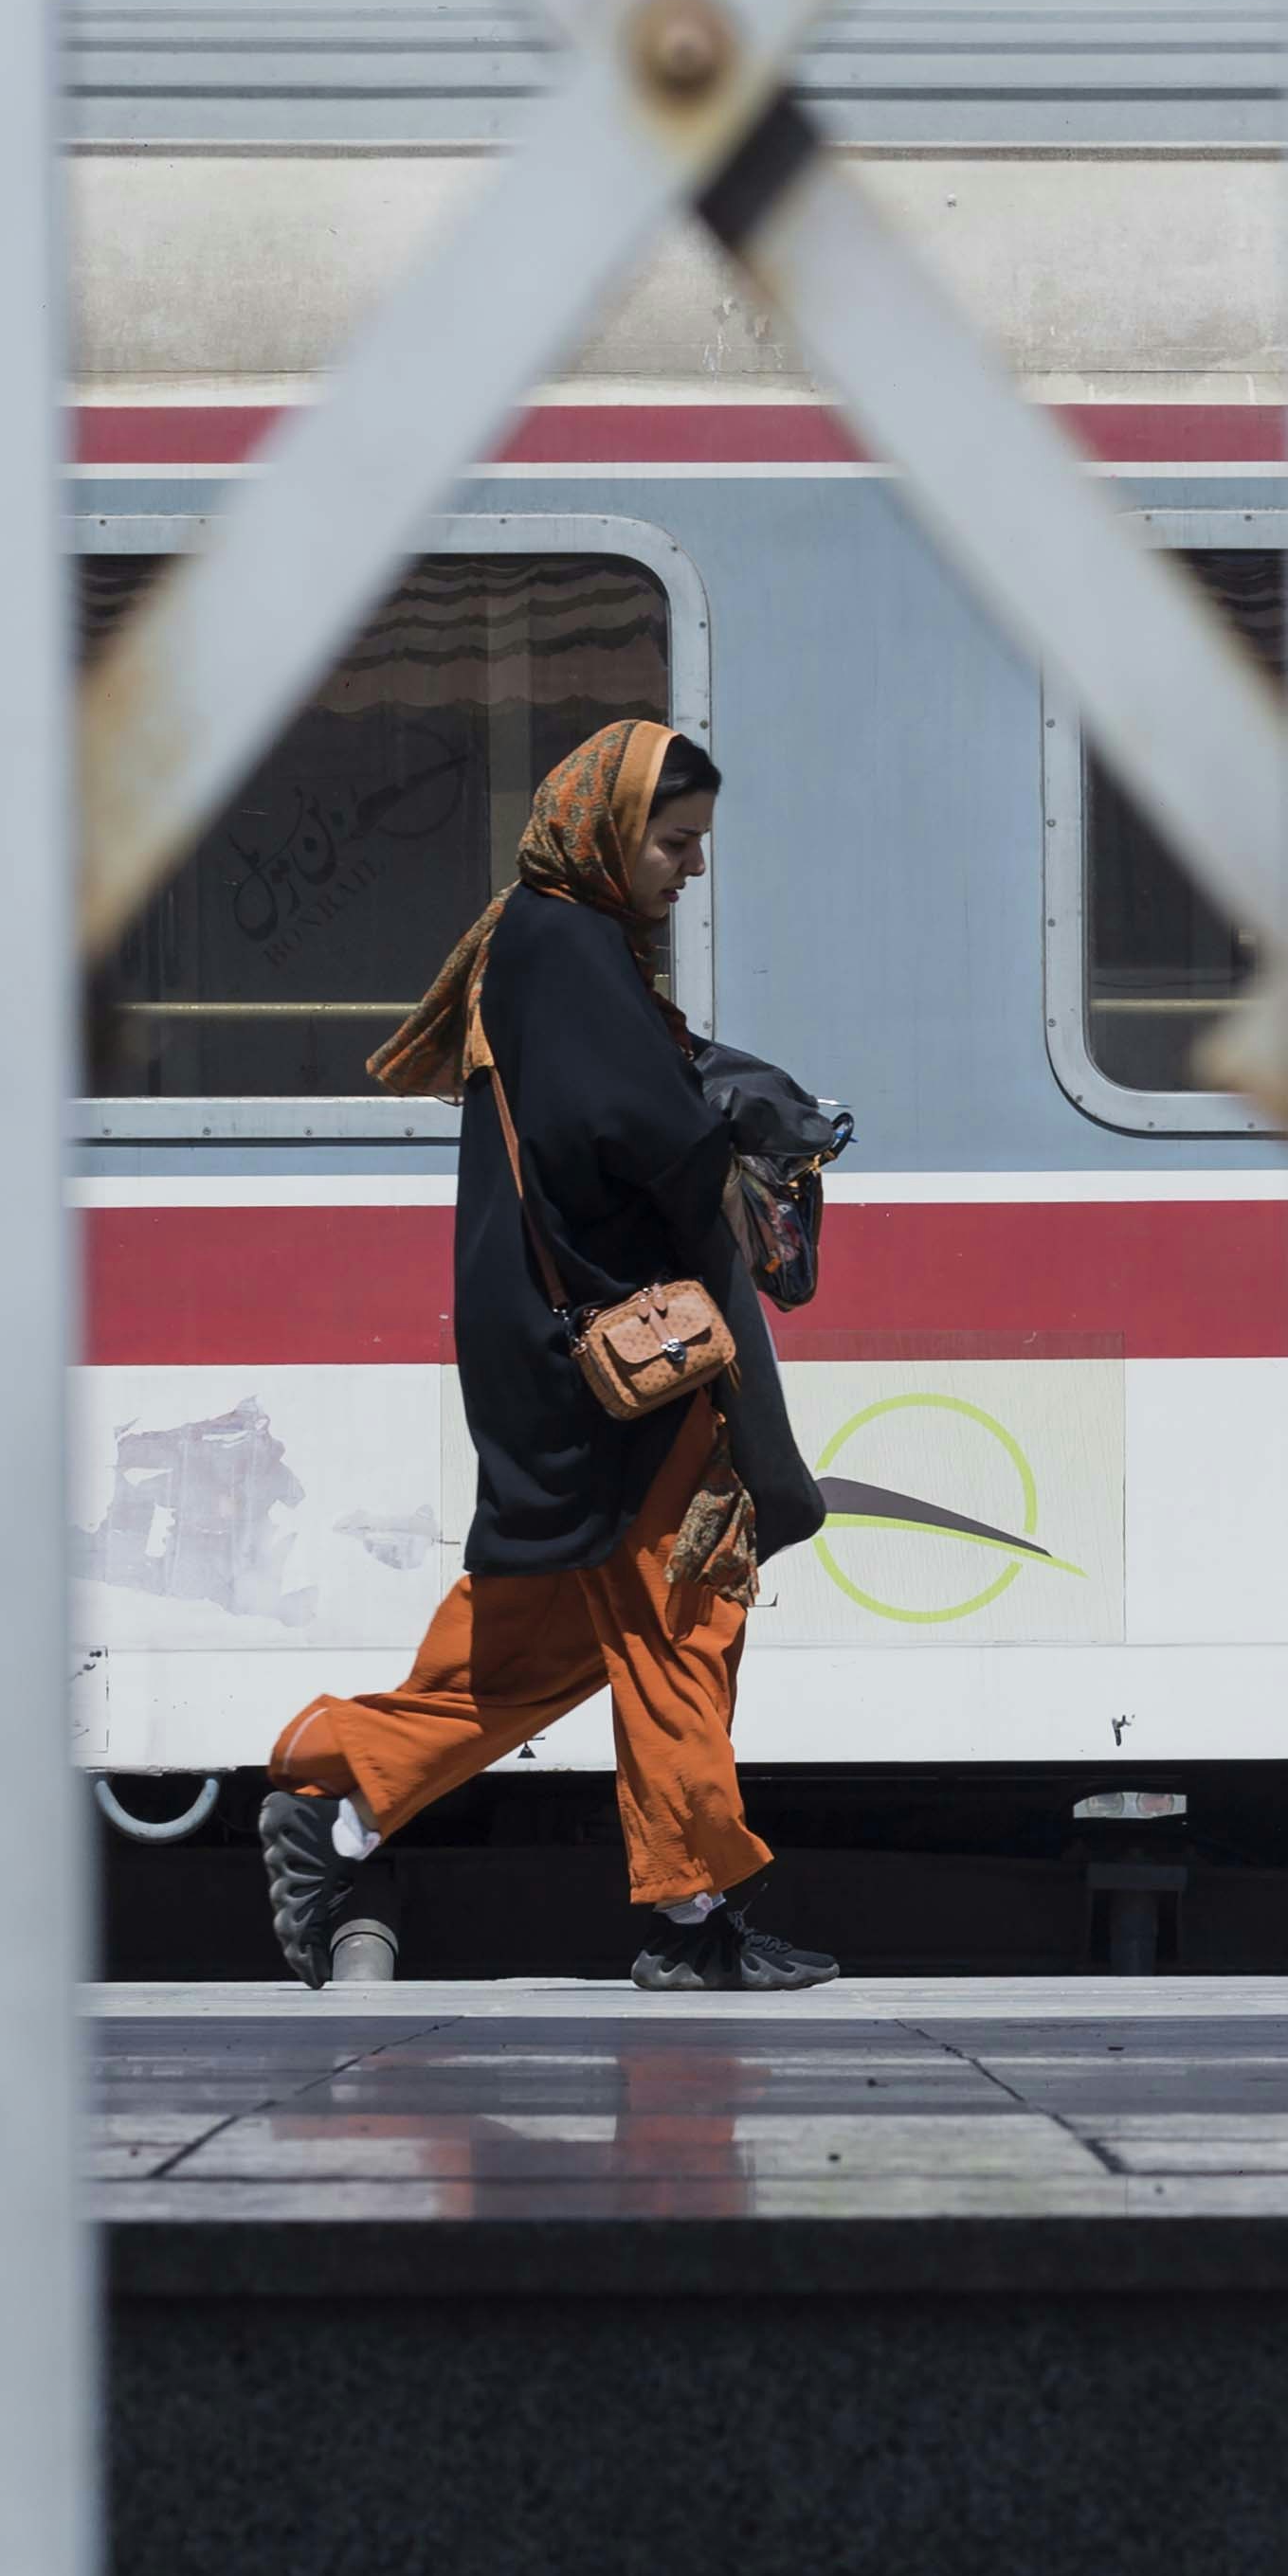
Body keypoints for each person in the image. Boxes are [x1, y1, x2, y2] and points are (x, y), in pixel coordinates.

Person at [258, 721, 840, 1991]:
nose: (689, 868)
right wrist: (737, 1123)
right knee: (682, 1622)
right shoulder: (566, 949)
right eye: (672, 843)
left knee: (533, 1651)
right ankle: (690, 1924)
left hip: (555, 1377)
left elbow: (620, 1111)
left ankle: (341, 1793)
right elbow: (643, 1142)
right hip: (634, 1382)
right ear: (606, 833)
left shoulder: (543, 946)